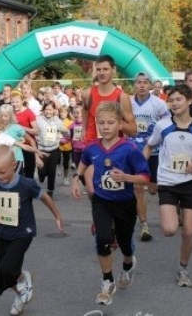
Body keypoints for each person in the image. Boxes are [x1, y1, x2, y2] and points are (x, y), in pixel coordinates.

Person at [71, 101, 150, 306]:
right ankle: (107, 281)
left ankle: (128, 263)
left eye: (110, 123)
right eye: (101, 123)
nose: (105, 127)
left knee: (125, 244)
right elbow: (85, 161)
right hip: (101, 201)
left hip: (124, 203)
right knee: (103, 238)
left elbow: (145, 177)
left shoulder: (130, 149)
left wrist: (126, 177)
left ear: (120, 124)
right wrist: (76, 178)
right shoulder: (92, 147)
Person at [0, 145, 63, 315]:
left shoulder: (26, 184)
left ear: (14, 166)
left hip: (24, 231)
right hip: (3, 233)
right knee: (2, 277)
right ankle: (21, 292)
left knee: (9, 268)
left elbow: (45, 198)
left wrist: (57, 216)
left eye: (3, 172)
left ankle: (22, 278)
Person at [144, 84, 192, 287]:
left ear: (188, 101)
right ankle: (174, 213)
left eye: (178, 99)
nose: (174, 103)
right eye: (171, 100)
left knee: (189, 232)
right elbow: (150, 145)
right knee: (169, 230)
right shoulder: (163, 126)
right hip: (167, 182)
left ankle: (183, 269)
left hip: (190, 184)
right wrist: (141, 169)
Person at [129, 72, 170, 242]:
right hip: (133, 151)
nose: (142, 85)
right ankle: (144, 225)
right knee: (138, 188)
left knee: (153, 189)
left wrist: (156, 136)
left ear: (151, 85)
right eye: (139, 82)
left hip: (153, 151)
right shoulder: (128, 103)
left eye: (145, 82)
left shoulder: (159, 104)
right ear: (134, 85)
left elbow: (168, 123)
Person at [82, 55, 137, 142]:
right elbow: (85, 109)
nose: (101, 73)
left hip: (114, 149)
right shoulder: (87, 94)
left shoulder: (122, 97)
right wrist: (83, 129)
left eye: (105, 69)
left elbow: (133, 130)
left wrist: (115, 122)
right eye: (98, 70)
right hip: (91, 147)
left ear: (113, 70)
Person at [35, 101, 68, 197]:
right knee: (42, 172)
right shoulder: (38, 119)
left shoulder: (57, 121)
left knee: (51, 171)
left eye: (50, 109)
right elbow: (34, 129)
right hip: (41, 149)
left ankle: (50, 191)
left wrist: (62, 136)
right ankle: (41, 175)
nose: (48, 112)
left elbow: (66, 131)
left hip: (54, 149)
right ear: (43, 110)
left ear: (54, 110)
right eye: (46, 109)